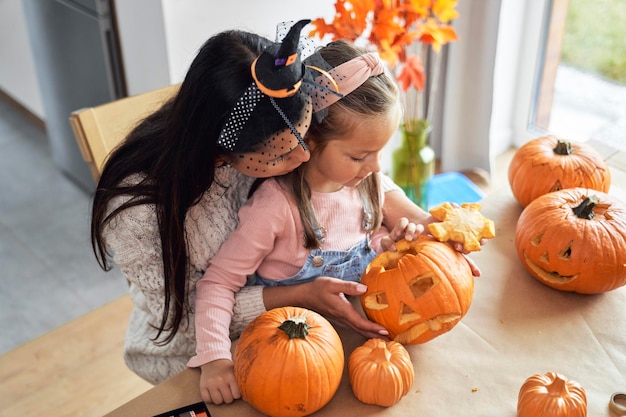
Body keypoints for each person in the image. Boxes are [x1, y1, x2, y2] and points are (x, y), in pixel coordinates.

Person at [90, 21, 481, 386]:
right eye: (282, 155)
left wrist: (423, 226)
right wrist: (300, 294)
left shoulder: (270, 121)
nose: (302, 159)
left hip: (314, 326)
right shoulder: (139, 215)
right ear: (226, 147)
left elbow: (354, 175)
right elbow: (195, 311)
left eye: (304, 137)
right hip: (197, 352)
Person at [189, 40, 420, 405]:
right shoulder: (275, 207)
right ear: (308, 138)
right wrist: (215, 359)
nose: (377, 167)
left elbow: (361, 240)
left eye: (380, 152)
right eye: (360, 155)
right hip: (287, 363)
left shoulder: (363, 182)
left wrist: (387, 245)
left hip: (353, 344)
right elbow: (217, 284)